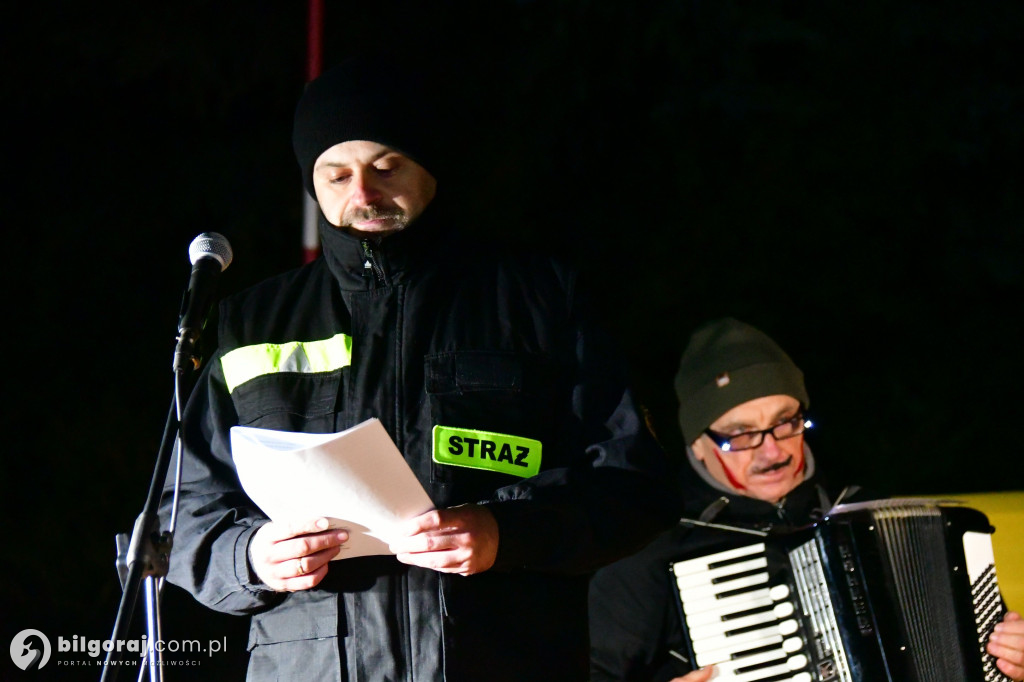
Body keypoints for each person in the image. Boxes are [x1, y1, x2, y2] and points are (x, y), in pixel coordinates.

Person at [157, 57, 677, 682]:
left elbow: (633, 486)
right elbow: (183, 513)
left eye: (386, 166)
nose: (363, 194)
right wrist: (251, 556)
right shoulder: (251, 322)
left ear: (429, 167)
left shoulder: (539, 300)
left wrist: (504, 534)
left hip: (503, 657)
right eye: (337, 174)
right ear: (312, 184)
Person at [588, 317, 1024, 681]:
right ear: (696, 445)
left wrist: (1013, 658)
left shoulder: (875, 516)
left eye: (785, 422)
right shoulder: (650, 542)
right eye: (740, 435)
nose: (773, 450)